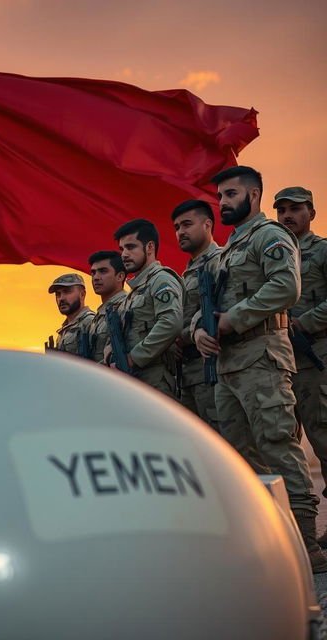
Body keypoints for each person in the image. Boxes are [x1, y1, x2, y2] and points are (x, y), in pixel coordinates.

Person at [193, 166, 326, 572]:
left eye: (230, 194)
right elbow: (207, 304)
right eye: (220, 196)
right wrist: (201, 330)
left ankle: (307, 548)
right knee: (240, 457)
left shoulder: (270, 236)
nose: (223, 202)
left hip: (263, 355)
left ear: (253, 195)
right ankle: (271, 539)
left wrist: (236, 317)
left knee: (277, 445)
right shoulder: (229, 249)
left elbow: (287, 287)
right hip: (227, 364)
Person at [274, 187, 327, 546]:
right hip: (280, 362)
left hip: (315, 358)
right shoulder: (276, 253)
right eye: (282, 210)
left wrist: (302, 324)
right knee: (284, 445)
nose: (288, 215)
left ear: (312, 212)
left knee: (324, 439)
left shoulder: (321, 250)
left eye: (295, 209)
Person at [113, 219, 183, 397]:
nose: (124, 255)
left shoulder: (161, 280)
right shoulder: (134, 292)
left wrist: (134, 357)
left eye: (130, 247)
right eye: (122, 249)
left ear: (149, 247)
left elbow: (170, 323)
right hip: (135, 379)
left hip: (156, 378)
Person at [172, 200, 221, 430]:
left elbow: (220, 308)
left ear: (207, 225)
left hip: (213, 366)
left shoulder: (220, 261)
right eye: (177, 227)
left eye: (187, 224)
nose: (180, 232)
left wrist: (186, 333)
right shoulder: (186, 274)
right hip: (189, 372)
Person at [87, 251, 127, 364]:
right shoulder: (100, 314)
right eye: (93, 273)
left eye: (103, 271)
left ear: (120, 276)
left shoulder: (126, 306)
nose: (96, 277)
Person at [48, 274, 95, 356]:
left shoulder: (91, 322)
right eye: (58, 294)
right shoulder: (63, 331)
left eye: (67, 291)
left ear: (82, 294)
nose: (61, 298)